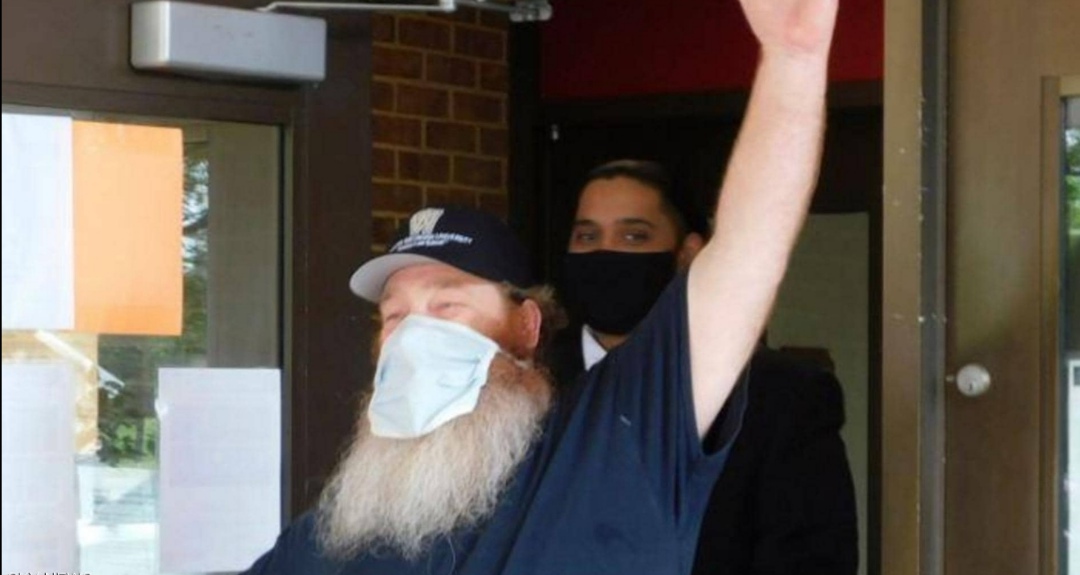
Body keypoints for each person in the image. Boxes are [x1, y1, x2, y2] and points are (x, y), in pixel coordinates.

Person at [243, 1, 839, 573]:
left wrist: (793, 59)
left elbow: (742, 258)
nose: (415, 336)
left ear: (526, 325)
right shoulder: (346, 521)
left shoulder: (607, 444)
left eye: (448, 306)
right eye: (395, 317)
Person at [550, 159, 858, 575]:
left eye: (634, 235)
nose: (606, 252)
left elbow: (810, 561)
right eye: (587, 236)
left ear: (688, 253)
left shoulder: (780, 398)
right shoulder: (527, 385)